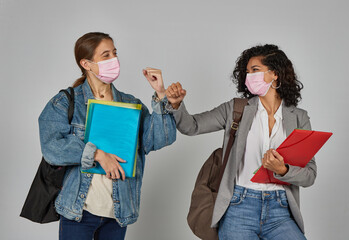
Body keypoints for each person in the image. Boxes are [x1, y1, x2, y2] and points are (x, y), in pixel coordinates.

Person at [165, 44, 315, 240]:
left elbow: (309, 175)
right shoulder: (236, 109)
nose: (249, 76)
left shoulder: (299, 118)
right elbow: (192, 126)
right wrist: (176, 104)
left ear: (275, 74)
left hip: (280, 210)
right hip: (239, 206)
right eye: (247, 72)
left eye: (255, 70)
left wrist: (283, 170)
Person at [38, 32, 176, 240]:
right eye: (106, 55)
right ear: (86, 63)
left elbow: (158, 140)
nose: (114, 60)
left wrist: (161, 94)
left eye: (114, 53)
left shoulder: (131, 104)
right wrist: (98, 155)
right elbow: (52, 148)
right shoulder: (66, 102)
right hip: (78, 211)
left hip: (118, 213)